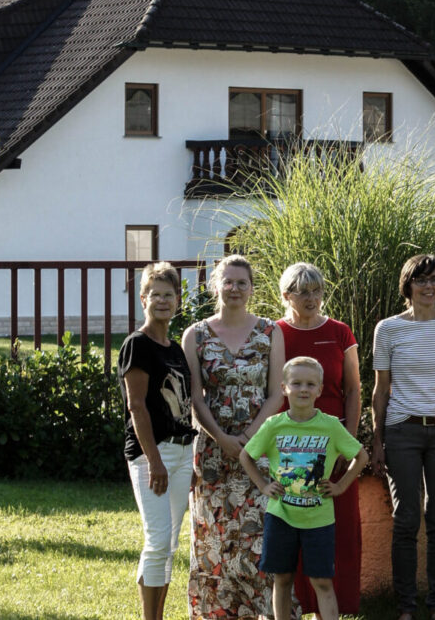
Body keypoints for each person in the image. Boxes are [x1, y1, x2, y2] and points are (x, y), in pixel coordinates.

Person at [184, 254, 286, 619]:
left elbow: (276, 394)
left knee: (260, 540)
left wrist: (247, 436)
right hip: (213, 453)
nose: (235, 289)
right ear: (215, 285)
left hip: (259, 450)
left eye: (242, 283)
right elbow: (195, 397)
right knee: (216, 539)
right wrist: (223, 439)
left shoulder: (271, 332)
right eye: (228, 281)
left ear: (252, 288)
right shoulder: (195, 335)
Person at [240, 356, 369, 620]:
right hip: (281, 517)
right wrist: (263, 485)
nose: (303, 389)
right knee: (283, 579)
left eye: (310, 384)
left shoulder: (331, 426)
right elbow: (246, 456)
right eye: (296, 383)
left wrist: (341, 486)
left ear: (320, 390)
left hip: (319, 519)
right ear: (284, 387)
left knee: (322, 581)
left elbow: (361, 457)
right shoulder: (274, 425)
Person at [371, 254, 435, 620]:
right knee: (406, 518)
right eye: (421, 280)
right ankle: (406, 605)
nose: (429, 286)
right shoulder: (388, 329)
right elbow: (380, 390)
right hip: (402, 430)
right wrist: (378, 441)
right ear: (407, 286)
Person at [276, 262, 362, 615]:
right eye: (302, 291)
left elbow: (354, 390)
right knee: (292, 526)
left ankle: (335, 607)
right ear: (286, 296)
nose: (311, 298)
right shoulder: (275, 333)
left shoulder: (340, 332)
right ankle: (298, 605)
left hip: (334, 444)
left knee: (339, 530)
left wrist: (349, 443)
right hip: (290, 447)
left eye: (317, 291)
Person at [119, 262, 195, 620]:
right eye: (156, 294)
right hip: (154, 455)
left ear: (178, 300)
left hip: (182, 453)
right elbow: (137, 407)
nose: (163, 301)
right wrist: (155, 461)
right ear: (143, 299)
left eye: (169, 294)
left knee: (170, 545)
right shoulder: (138, 344)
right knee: (158, 540)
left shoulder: (175, 349)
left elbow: (184, 405)